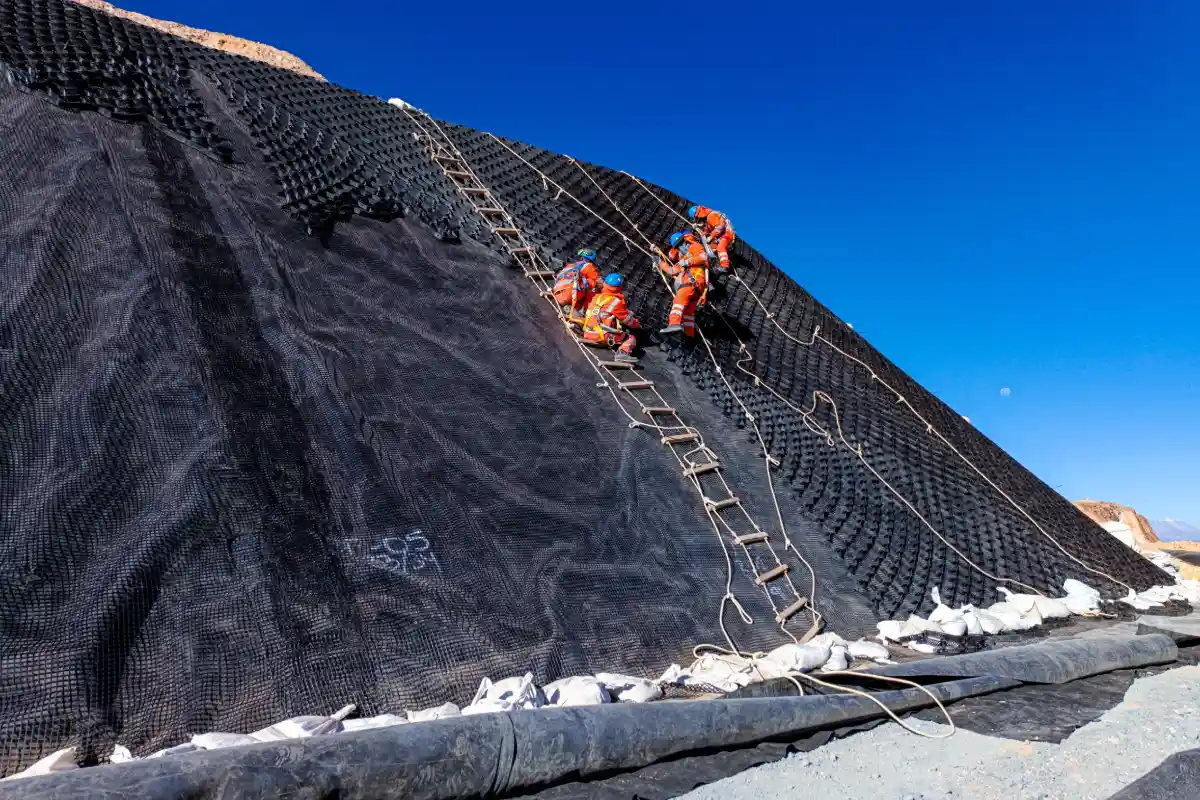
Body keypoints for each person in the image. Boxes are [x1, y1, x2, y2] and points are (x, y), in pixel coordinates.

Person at [658, 232, 708, 337]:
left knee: (678, 301)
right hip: (697, 289)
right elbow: (672, 271)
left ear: (685, 240)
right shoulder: (683, 259)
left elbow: (704, 257)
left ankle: (674, 324)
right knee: (688, 313)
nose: (679, 248)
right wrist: (659, 262)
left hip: (692, 282)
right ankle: (689, 335)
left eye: (680, 244)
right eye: (677, 246)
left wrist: (687, 262)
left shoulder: (695, 246)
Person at [581, 273, 640, 362]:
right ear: (619, 287)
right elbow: (628, 321)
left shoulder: (596, 296)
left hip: (587, 332)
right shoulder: (616, 302)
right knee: (631, 338)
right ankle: (622, 353)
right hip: (601, 336)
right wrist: (637, 324)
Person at [552, 249, 602, 325]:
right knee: (592, 284)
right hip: (569, 295)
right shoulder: (589, 266)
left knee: (580, 284)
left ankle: (573, 307)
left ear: (581, 258)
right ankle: (582, 311)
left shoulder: (570, 266)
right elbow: (601, 283)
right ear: (592, 261)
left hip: (557, 293)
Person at [688, 205, 735, 275]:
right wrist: (697, 229)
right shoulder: (707, 220)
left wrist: (711, 237)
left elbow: (720, 227)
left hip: (728, 232)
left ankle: (725, 266)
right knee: (713, 249)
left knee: (720, 247)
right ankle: (724, 258)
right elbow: (707, 232)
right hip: (722, 235)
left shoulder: (711, 216)